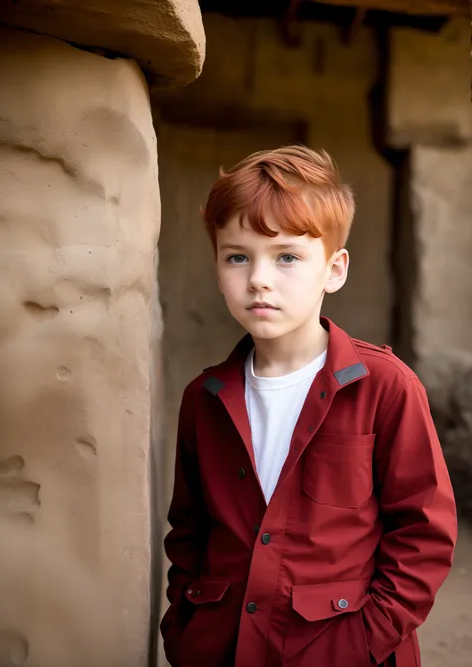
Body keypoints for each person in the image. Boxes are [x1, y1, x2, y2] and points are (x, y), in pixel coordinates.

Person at [160, 145, 457, 667]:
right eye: (237, 256)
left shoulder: (385, 386)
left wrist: (363, 641)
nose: (258, 278)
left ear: (334, 269)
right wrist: (184, 632)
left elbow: (423, 535)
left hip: (340, 651)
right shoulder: (203, 400)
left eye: (287, 257)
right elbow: (189, 534)